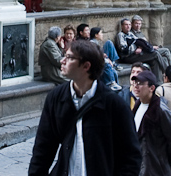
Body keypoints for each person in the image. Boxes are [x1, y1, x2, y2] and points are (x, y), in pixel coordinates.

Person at [28, 39, 142, 176]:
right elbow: (43, 148)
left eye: (69, 57)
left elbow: (131, 156)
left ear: (86, 66)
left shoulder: (114, 105)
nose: (62, 61)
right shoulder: (56, 98)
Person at [131, 70, 171, 176]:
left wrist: (165, 159)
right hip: (139, 165)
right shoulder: (138, 105)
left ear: (152, 88)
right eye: (135, 83)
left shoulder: (160, 110)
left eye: (140, 83)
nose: (136, 86)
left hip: (155, 168)